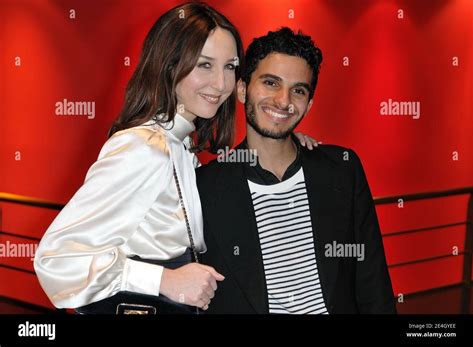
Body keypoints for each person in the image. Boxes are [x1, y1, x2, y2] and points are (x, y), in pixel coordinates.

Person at [34, 3, 316, 314]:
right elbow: (56, 259)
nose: (221, 84)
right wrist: (163, 280)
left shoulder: (180, 148)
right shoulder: (143, 148)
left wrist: (288, 144)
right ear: (170, 65)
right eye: (205, 65)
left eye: (229, 66)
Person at [197, 27, 396, 314]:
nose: (283, 101)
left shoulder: (342, 169)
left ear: (309, 104)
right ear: (242, 89)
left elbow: (373, 282)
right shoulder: (205, 187)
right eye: (271, 83)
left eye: (298, 90)